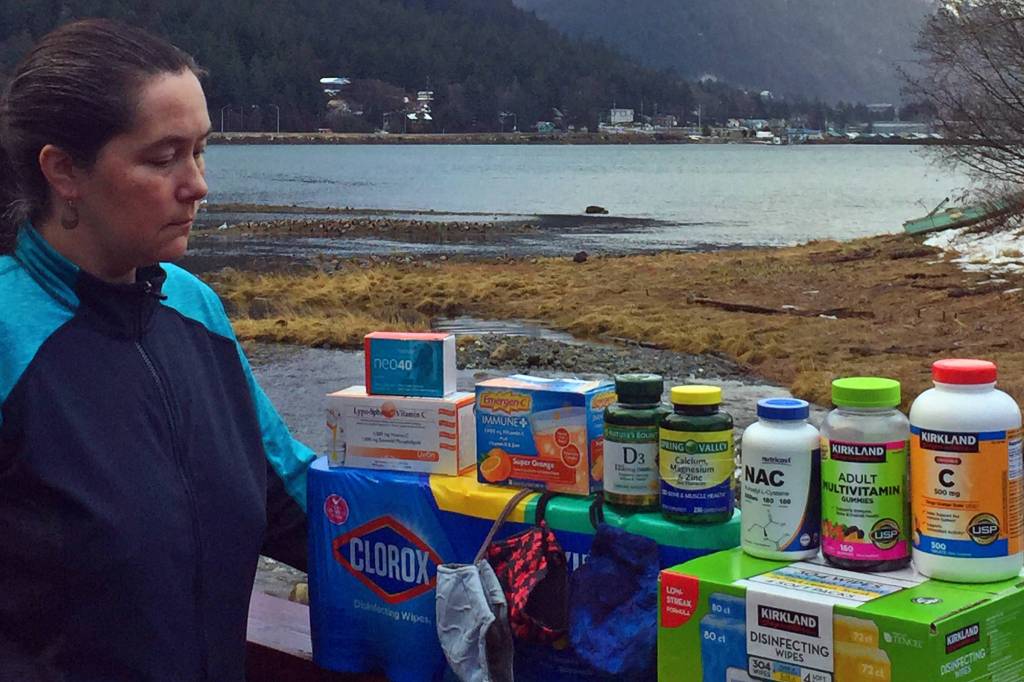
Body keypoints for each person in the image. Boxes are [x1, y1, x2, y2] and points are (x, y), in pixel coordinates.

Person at [0, 19, 316, 681]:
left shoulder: (194, 308)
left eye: (201, 150)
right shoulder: (10, 336)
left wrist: (498, 535)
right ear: (64, 172)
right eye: (163, 156)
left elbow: (296, 499)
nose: (197, 184)